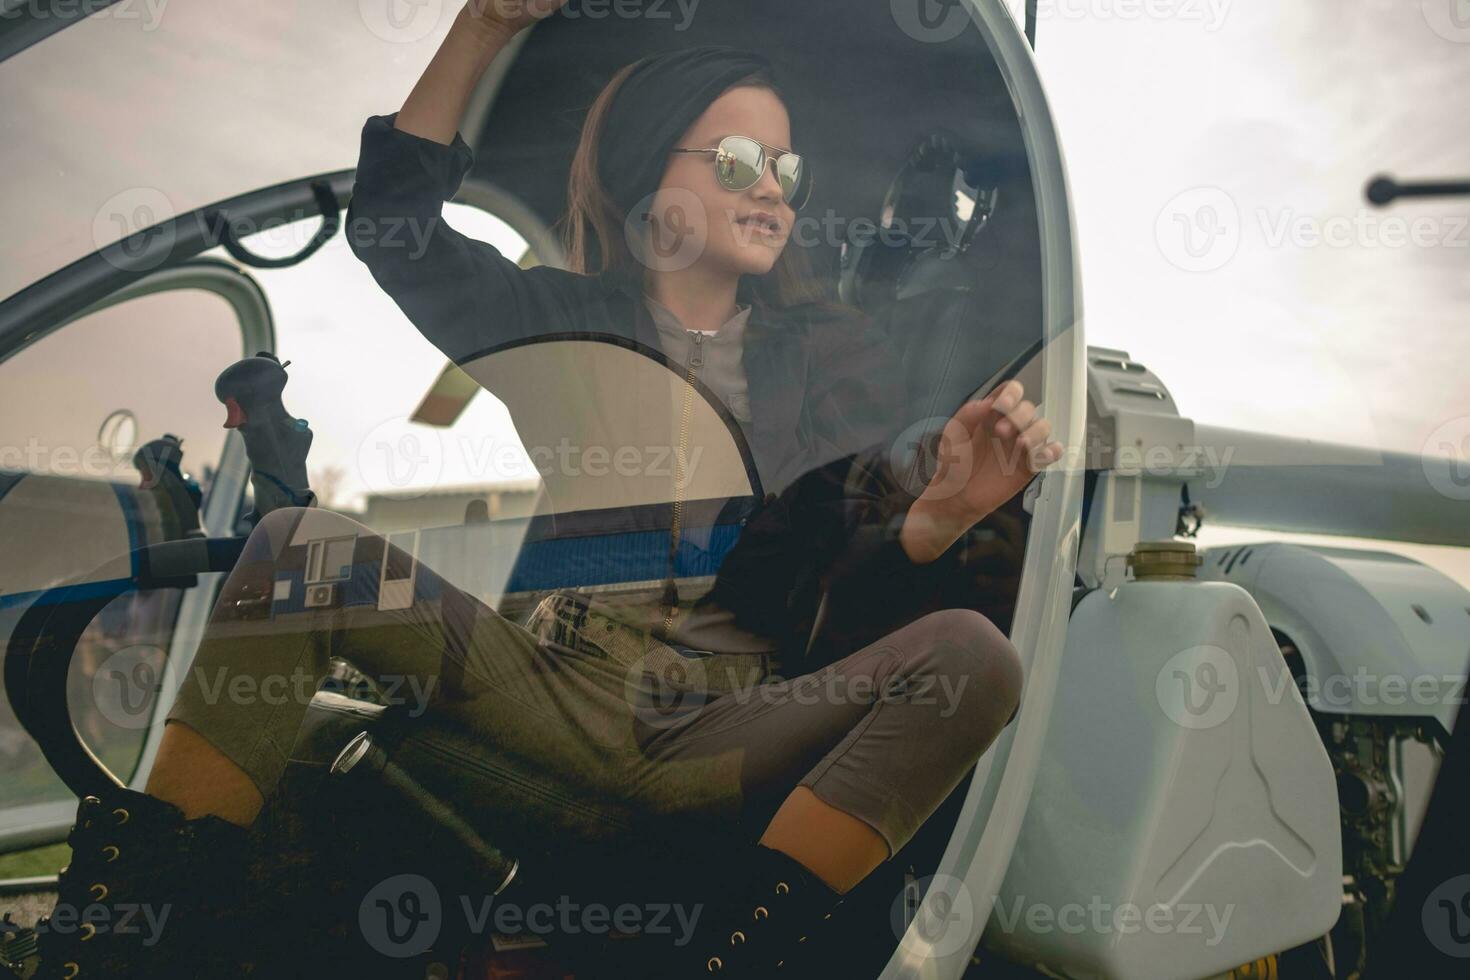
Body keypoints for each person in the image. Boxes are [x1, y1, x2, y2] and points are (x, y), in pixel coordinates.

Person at [36, 4, 1062, 978]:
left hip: (726, 724)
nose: (775, 190)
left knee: (973, 655)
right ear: (649, 174)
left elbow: (836, 568)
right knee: (301, 548)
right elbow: (395, 233)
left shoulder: (830, 359)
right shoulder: (560, 319)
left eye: (785, 168)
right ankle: (138, 941)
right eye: (743, 161)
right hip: (551, 687)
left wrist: (930, 525)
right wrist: (482, 26)